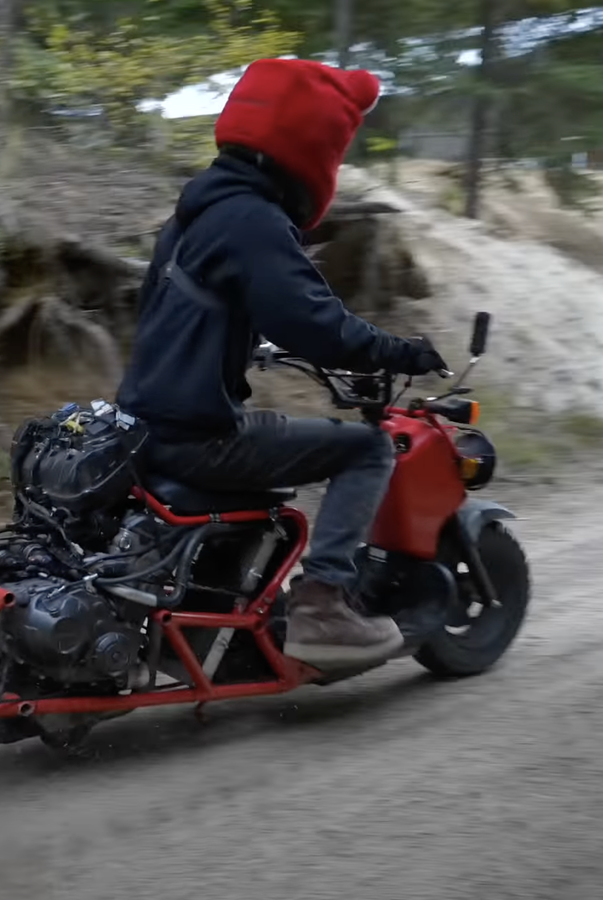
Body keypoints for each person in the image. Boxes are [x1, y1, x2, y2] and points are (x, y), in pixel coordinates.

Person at [116, 58, 448, 668]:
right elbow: (319, 324)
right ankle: (322, 608)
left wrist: (248, 346)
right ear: (310, 145)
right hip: (197, 437)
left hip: (141, 425)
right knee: (365, 450)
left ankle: (215, 623)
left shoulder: (192, 213)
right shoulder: (253, 219)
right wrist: (400, 350)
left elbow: (183, 312)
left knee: (272, 465)